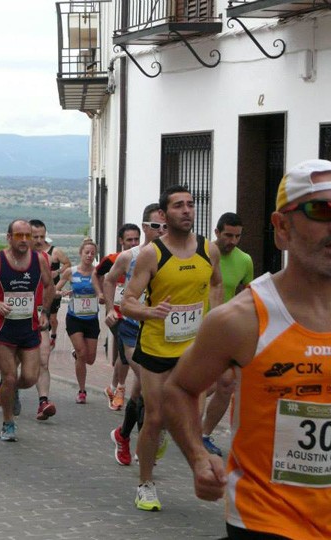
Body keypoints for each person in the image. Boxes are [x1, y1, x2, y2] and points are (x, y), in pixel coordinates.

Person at [164, 160, 331, 539]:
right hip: (267, 520)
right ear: (282, 227)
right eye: (322, 211)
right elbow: (179, 388)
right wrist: (197, 455)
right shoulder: (240, 320)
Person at [121, 185, 222, 512]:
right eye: (178, 205)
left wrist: (215, 316)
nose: (187, 210)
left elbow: (216, 283)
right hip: (156, 349)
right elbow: (127, 301)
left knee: (195, 415)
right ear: (164, 215)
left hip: (193, 349)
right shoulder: (153, 253)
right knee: (154, 418)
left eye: (190, 205)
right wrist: (148, 312)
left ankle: (174, 441)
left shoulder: (209, 249)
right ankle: (145, 484)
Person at [0, 220, 55, 441]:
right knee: (9, 377)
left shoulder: (39, 260)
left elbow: (50, 285)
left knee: (29, 377)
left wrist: (45, 311)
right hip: (4, 328)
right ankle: (8, 422)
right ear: (9, 237)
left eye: (28, 235)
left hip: (29, 326)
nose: (25, 240)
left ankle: (8, 391)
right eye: (19, 235)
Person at [104, 205, 167, 466]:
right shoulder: (129, 256)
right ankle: (147, 446)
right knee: (149, 384)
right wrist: (110, 309)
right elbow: (108, 280)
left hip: (157, 331)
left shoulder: (173, 256)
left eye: (165, 226)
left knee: (140, 392)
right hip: (130, 328)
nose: (161, 231)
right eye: (156, 226)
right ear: (144, 227)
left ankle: (123, 435)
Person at [200, 212, 254, 457]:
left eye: (237, 236)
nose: (233, 241)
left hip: (226, 331)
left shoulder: (245, 261)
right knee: (197, 383)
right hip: (195, 329)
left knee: (226, 383)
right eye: (228, 235)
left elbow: (247, 294)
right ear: (217, 233)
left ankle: (203, 434)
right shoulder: (201, 253)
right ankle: (176, 420)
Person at [95, 223, 141, 410]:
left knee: (126, 353)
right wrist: (101, 295)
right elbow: (97, 274)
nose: (132, 243)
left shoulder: (143, 258)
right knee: (125, 352)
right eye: (129, 240)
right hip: (117, 314)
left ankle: (113, 388)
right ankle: (120, 389)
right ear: (121, 241)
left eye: (136, 239)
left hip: (135, 312)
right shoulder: (113, 259)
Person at [56, 238, 102, 405]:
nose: (89, 256)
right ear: (81, 253)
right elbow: (57, 288)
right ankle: (82, 391)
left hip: (91, 319)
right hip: (74, 318)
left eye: (92, 253)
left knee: (90, 359)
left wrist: (103, 297)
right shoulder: (71, 272)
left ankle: (77, 354)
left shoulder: (98, 273)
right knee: (82, 354)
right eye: (86, 252)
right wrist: (60, 293)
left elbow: (103, 292)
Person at [29, 220, 70, 349]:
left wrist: (56, 273)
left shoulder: (52, 254)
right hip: (22, 312)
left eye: (42, 237)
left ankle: (53, 336)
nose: (39, 240)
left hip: (48, 295)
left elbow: (67, 264)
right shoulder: (12, 258)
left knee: (52, 317)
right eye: (35, 237)